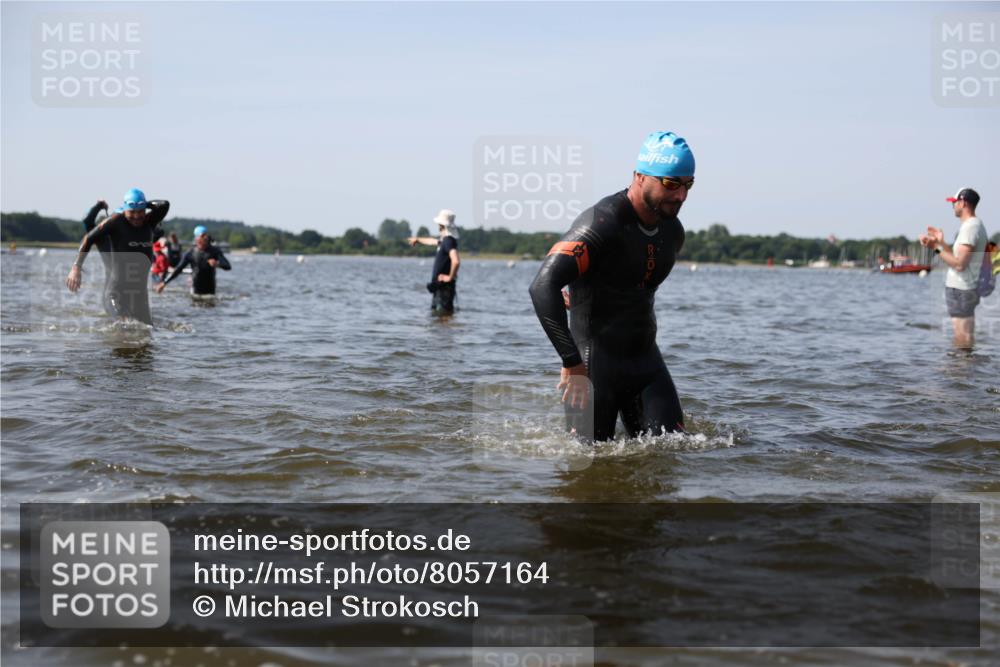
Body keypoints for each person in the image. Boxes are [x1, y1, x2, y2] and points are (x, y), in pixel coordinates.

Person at [529, 131, 693, 441]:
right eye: (671, 183)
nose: (681, 195)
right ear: (640, 177)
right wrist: (571, 363)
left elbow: (627, 284)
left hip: (646, 364)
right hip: (593, 368)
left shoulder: (673, 232)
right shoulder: (601, 224)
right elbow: (543, 286)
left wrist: (585, 294)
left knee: (674, 453)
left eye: (688, 185)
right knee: (587, 472)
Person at [65, 188, 170, 325]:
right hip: (116, 294)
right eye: (132, 212)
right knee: (125, 327)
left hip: (140, 296)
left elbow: (164, 204)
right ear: (124, 210)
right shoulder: (115, 222)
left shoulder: (149, 222)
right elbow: (88, 234)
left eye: (140, 211)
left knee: (147, 332)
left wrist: (142, 204)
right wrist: (76, 267)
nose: (137, 216)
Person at [920, 188, 989, 349]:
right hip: (963, 290)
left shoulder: (970, 227)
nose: (953, 206)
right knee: (963, 339)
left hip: (962, 290)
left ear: (963, 202)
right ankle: (965, 371)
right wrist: (941, 243)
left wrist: (935, 247)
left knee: (962, 339)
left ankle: (961, 372)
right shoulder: (972, 226)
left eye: (954, 203)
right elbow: (956, 258)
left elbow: (959, 264)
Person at [409, 209, 461, 314]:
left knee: (444, 318)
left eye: (439, 224)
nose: (438, 227)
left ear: (442, 225)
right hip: (440, 287)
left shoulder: (448, 241)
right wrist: (418, 240)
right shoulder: (444, 241)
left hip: (444, 289)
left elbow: (456, 261)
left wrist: (450, 277)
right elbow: (431, 241)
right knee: (440, 320)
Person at [156, 225, 231, 296]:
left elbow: (227, 266)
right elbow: (178, 269)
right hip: (196, 290)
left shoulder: (214, 251)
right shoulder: (191, 253)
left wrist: (217, 264)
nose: (205, 239)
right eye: (202, 237)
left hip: (210, 290)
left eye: (206, 237)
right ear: (197, 239)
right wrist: (164, 283)